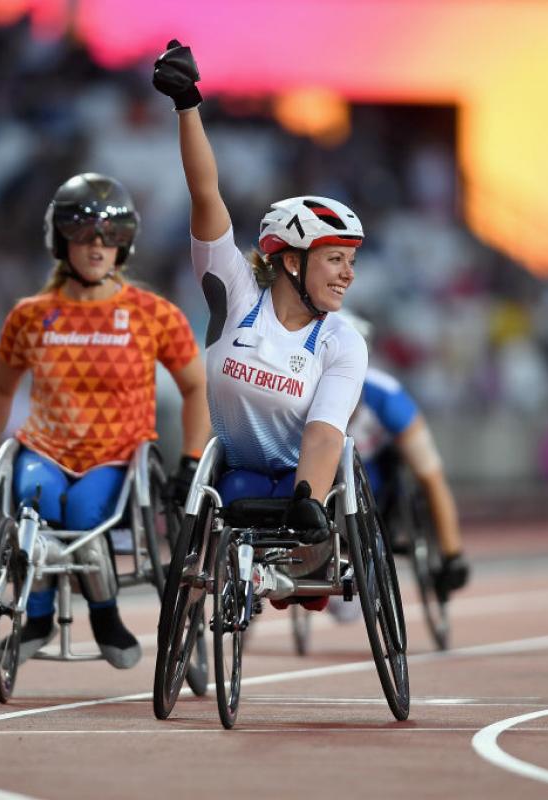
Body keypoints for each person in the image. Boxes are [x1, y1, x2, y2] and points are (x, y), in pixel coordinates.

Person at [0, 173, 210, 668]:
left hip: (117, 458)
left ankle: (104, 616)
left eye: (110, 236)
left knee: (86, 513)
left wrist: (191, 461)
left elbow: (196, 386)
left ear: (125, 245)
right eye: (83, 234)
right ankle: (40, 617)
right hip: (44, 449)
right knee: (33, 501)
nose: (97, 246)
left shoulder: (152, 314)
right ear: (59, 240)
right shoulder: (31, 316)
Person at [151, 40, 369, 613]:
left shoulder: (342, 341)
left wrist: (309, 505)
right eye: (335, 259)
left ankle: (299, 561)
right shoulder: (237, 295)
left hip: (306, 481)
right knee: (229, 503)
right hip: (241, 474)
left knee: (310, 596)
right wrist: (187, 105)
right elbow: (205, 193)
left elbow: (325, 434)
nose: (348, 275)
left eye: (352, 261)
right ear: (292, 261)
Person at [342, 316, 469, 602]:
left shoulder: (388, 399)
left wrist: (452, 553)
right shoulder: (301, 390)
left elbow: (431, 476)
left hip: (376, 475)